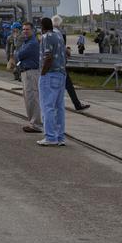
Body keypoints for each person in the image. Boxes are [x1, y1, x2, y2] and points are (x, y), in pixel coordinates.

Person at [37, 15, 66, 145]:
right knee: (59, 107)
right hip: (61, 73)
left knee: (47, 106)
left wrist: (43, 73)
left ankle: (50, 137)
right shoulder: (59, 35)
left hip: (50, 75)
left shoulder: (46, 37)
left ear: (42, 26)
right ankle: (60, 137)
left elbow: (48, 57)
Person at [52, 16, 90, 112]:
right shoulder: (59, 33)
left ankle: (76, 104)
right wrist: (66, 52)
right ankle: (76, 104)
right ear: (59, 24)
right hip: (59, 65)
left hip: (55, 64)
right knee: (67, 86)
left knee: (63, 85)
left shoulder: (50, 33)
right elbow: (61, 47)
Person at [16, 20, 42, 133]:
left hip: (31, 73)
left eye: (27, 29)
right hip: (25, 72)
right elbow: (18, 54)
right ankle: (32, 123)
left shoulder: (32, 43)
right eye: (24, 29)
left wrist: (18, 53)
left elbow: (19, 54)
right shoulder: (26, 42)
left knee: (33, 99)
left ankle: (36, 124)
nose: (25, 31)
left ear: (32, 30)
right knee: (28, 99)